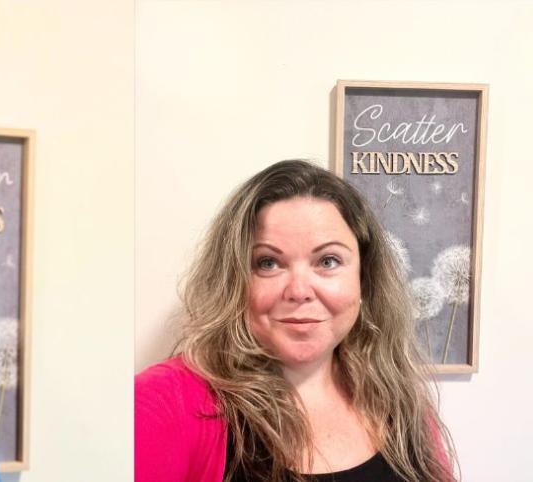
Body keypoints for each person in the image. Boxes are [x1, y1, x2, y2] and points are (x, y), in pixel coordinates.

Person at [135, 160, 457, 482]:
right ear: (233, 280)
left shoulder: (400, 400)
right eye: (268, 263)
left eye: (328, 261)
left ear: (364, 278)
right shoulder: (165, 404)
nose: (299, 291)